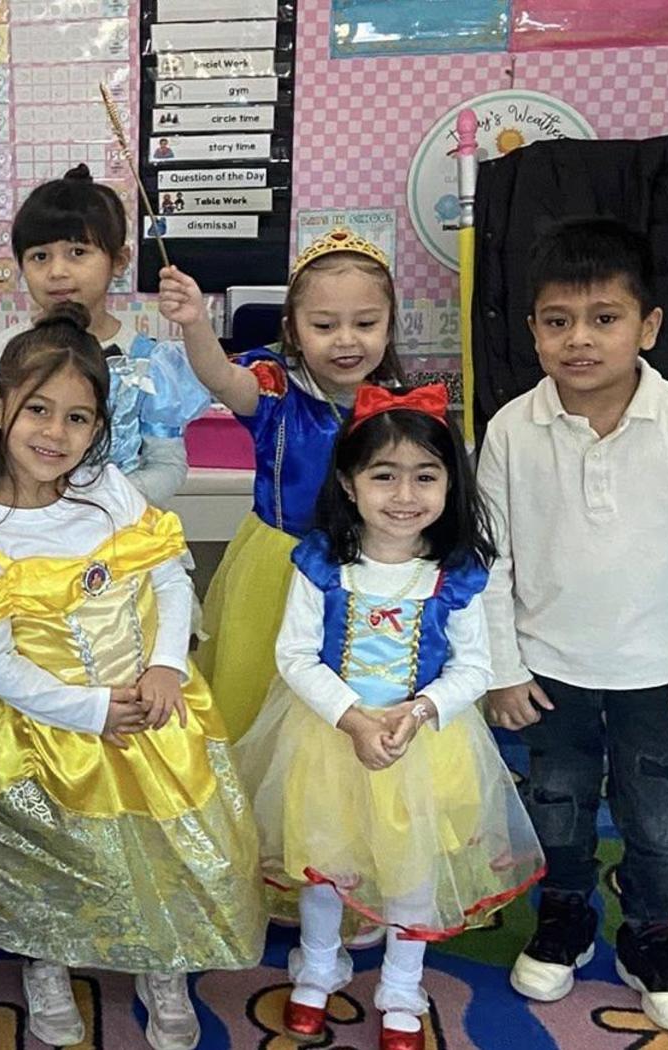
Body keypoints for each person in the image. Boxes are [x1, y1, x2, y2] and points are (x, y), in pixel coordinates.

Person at [0, 303, 264, 1050]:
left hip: (154, 711)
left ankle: (165, 960)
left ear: (99, 429)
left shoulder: (111, 494)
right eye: (38, 411)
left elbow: (168, 574)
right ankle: (49, 961)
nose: (55, 434)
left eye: (77, 418)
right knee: (59, 854)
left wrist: (164, 664)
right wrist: (91, 710)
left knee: (168, 846)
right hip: (53, 734)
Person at [482, 218, 668, 1035]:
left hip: (658, 679)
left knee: (662, 825)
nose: (580, 340)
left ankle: (651, 937)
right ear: (533, 331)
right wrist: (501, 667)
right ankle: (566, 919)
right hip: (548, 671)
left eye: (605, 319)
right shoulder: (509, 430)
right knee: (556, 808)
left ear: (648, 326)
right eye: (558, 321)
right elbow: (490, 562)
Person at [237, 384, 543, 1050]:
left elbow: (474, 668)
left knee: (412, 872)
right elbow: (293, 655)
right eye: (384, 475)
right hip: (329, 741)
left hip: (423, 748)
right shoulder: (321, 564)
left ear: (448, 485)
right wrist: (352, 719)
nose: (405, 495)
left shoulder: (456, 573)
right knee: (324, 864)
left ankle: (403, 983)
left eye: (425, 477)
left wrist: (420, 710)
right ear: (349, 483)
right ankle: (320, 966)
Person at [164, 228, 406, 741]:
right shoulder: (276, 390)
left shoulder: (401, 407)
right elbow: (221, 380)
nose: (346, 339)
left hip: (369, 576)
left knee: (356, 702)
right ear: (293, 329)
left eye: (366, 323)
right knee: (263, 699)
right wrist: (195, 326)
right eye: (323, 324)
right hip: (279, 569)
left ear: (389, 327)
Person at [0, 164, 208, 509]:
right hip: (22, 537)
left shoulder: (148, 364)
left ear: (119, 260)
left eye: (78, 253)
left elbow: (167, 465)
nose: (57, 271)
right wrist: (26, 500)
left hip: (121, 540)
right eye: (39, 256)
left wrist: (94, 507)